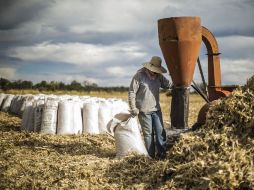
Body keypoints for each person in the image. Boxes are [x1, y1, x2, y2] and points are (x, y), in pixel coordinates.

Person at [128, 56, 171, 159]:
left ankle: (162, 155)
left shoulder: (159, 76)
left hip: (156, 109)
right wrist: (133, 108)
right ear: (149, 67)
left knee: (160, 132)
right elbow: (132, 92)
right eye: (154, 71)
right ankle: (150, 157)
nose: (155, 73)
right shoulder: (139, 76)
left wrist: (173, 79)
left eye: (157, 71)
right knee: (148, 134)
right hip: (143, 111)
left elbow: (168, 85)